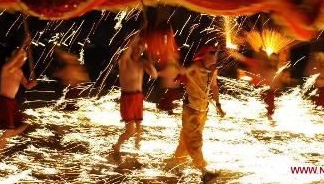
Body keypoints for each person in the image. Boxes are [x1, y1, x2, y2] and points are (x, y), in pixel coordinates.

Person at [167, 44, 225, 183]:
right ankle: (204, 171)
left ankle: (176, 164)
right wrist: (180, 70)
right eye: (214, 53)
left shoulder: (213, 70)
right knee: (195, 139)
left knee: (186, 138)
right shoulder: (196, 66)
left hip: (203, 109)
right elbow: (184, 71)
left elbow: (214, 86)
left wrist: (218, 105)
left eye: (217, 53)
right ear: (206, 55)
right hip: (191, 108)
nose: (216, 56)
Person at [111, 29, 158, 161]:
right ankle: (116, 147)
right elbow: (129, 46)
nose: (138, 49)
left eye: (141, 48)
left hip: (138, 97)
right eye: (136, 47)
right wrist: (140, 31)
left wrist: (149, 61)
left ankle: (136, 154)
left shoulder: (141, 63)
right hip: (127, 97)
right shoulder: (125, 61)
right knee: (130, 131)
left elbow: (154, 75)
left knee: (138, 129)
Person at [0, 33, 38, 150]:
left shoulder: (19, 72)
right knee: (10, 131)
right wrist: (24, 42)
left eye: (23, 58)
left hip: (12, 103)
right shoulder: (7, 68)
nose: (22, 60)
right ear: (15, 58)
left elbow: (27, 86)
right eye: (20, 58)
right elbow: (17, 54)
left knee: (25, 124)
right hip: (4, 101)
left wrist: (33, 83)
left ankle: (1, 141)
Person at [231, 49, 283, 121]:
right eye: (259, 56)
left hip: (267, 89)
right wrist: (234, 53)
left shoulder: (268, 66)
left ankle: (269, 116)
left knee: (270, 105)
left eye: (262, 57)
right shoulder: (256, 63)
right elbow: (243, 59)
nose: (261, 58)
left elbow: (273, 78)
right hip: (257, 87)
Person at [52, 46, 91, 111]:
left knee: (71, 100)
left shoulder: (73, 67)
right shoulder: (74, 66)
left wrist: (56, 74)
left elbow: (64, 74)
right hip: (73, 88)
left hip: (74, 88)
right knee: (70, 100)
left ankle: (71, 108)